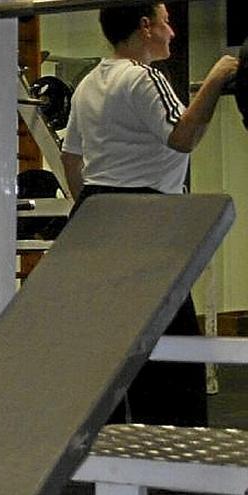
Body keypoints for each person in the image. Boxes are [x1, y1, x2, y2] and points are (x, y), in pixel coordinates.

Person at [61, 2, 237, 426]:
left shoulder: (88, 83)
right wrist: (217, 77)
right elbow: (183, 137)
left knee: (114, 344)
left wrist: (97, 209)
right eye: (166, 22)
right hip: (146, 221)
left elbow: (71, 158)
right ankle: (177, 461)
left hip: (96, 217)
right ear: (145, 27)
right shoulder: (144, 77)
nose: (172, 32)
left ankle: (113, 444)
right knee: (172, 349)